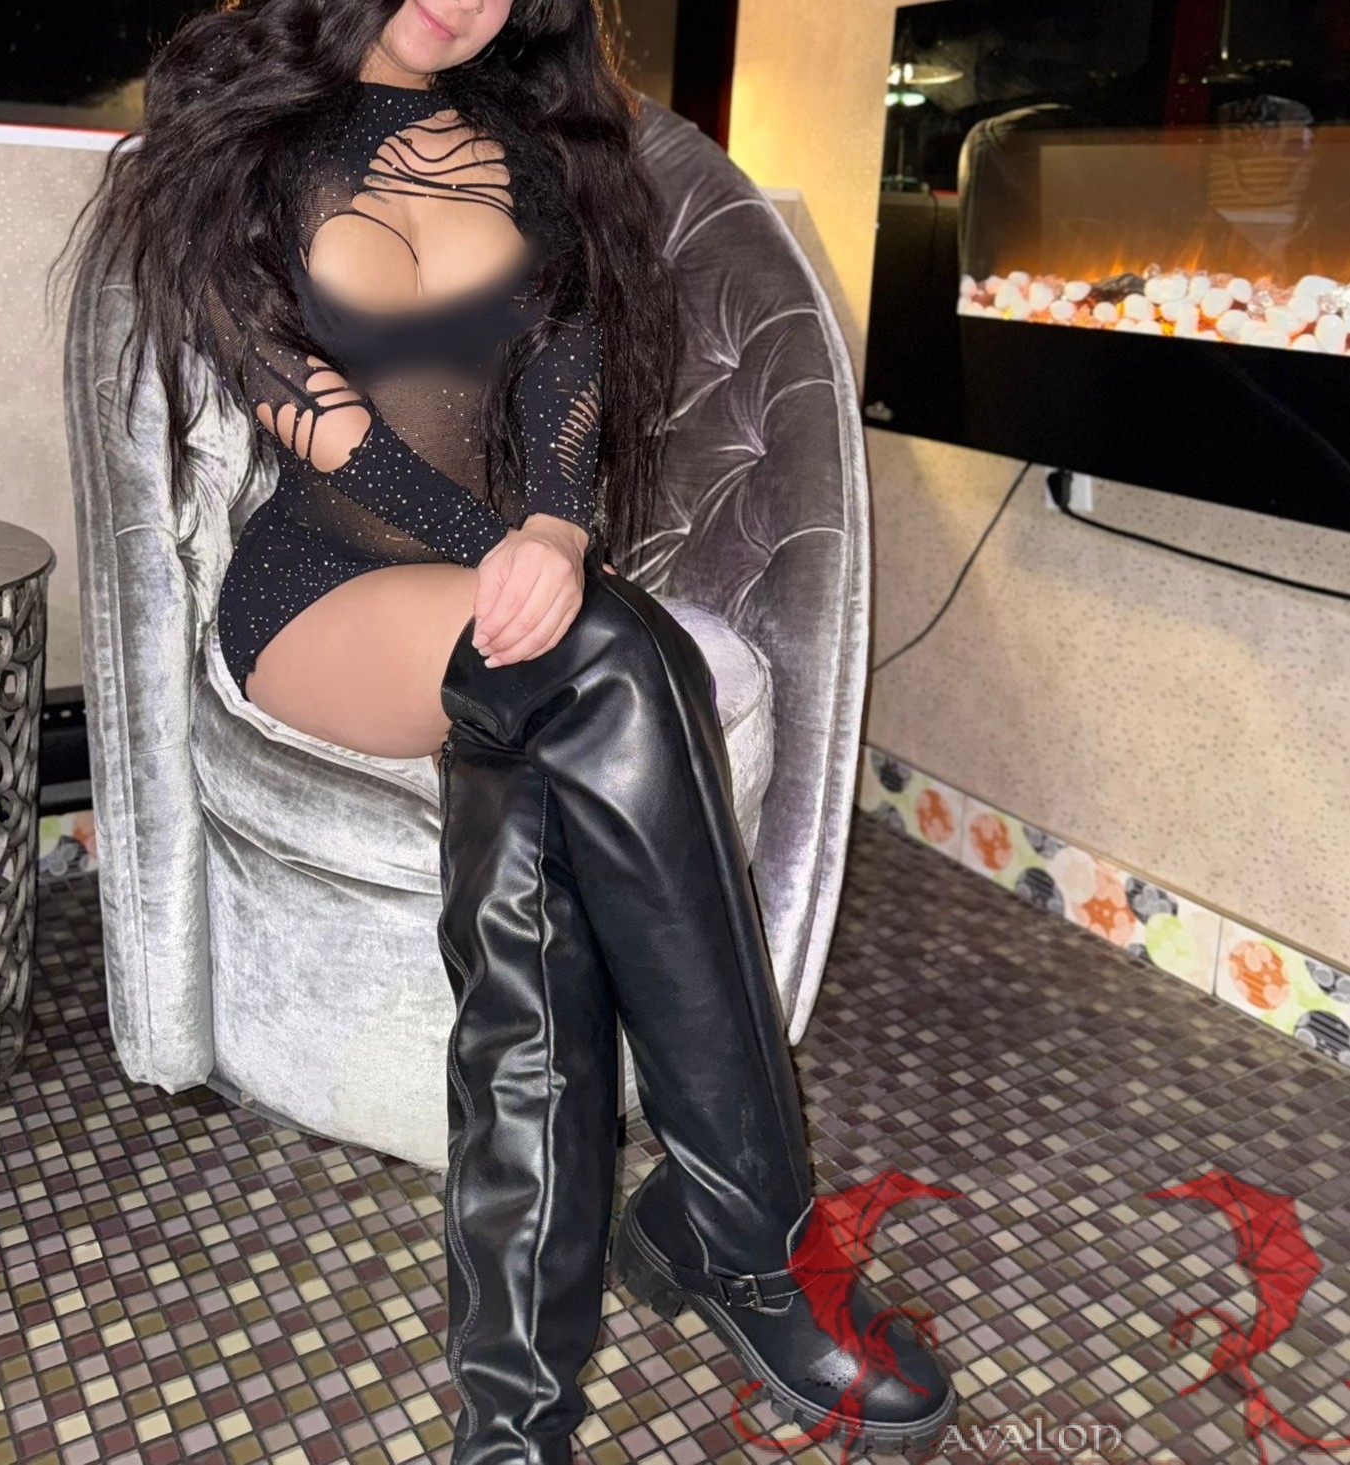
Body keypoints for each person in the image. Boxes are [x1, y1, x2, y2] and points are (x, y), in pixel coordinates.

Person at [63, 1, 959, 1459]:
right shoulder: (239, 133)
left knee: (539, 769)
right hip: (324, 596)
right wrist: (502, 555)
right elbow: (317, 417)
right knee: (596, 657)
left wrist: (554, 525)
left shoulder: (526, 143)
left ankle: (515, 1412)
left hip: (503, 583)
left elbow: (563, 367)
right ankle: (748, 1239)